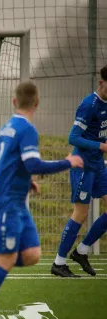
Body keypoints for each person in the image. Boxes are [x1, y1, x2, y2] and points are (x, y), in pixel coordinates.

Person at [0, 81, 83, 310]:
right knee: (6, 258)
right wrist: (68, 162)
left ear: (15, 102)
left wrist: (24, 180)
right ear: (37, 103)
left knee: (32, 254)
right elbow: (32, 163)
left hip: (17, 205)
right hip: (5, 203)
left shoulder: (7, 127)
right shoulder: (27, 130)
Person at [52, 65, 107, 278]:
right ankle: (59, 263)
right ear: (101, 83)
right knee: (81, 213)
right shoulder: (88, 105)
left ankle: (82, 251)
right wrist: (100, 146)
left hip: (98, 165)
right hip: (83, 165)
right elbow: (73, 137)